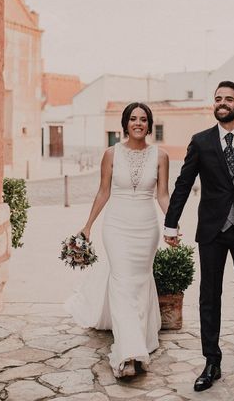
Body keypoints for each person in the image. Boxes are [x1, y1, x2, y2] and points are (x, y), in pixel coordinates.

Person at [163, 80, 234, 392]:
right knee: (209, 296)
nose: (222, 103)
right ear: (213, 104)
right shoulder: (200, 142)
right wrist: (170, 223)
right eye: (217, 99)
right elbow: (183, 185)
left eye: (228, 99)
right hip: (212, 230)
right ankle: (212, 360)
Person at [65, 102, 173, 378]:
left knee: (139, 282)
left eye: (144, 119)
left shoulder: (161, 156)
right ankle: (128, 353)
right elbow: (103, 192)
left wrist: (172, 225)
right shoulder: (111, 154)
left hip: (146, 227)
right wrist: (88, 225)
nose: (138, 123)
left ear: (149, 125)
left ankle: (139, 339)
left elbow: (162, 195)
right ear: (125, 124)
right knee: (122, 282)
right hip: (116, 226)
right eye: (133, 119)